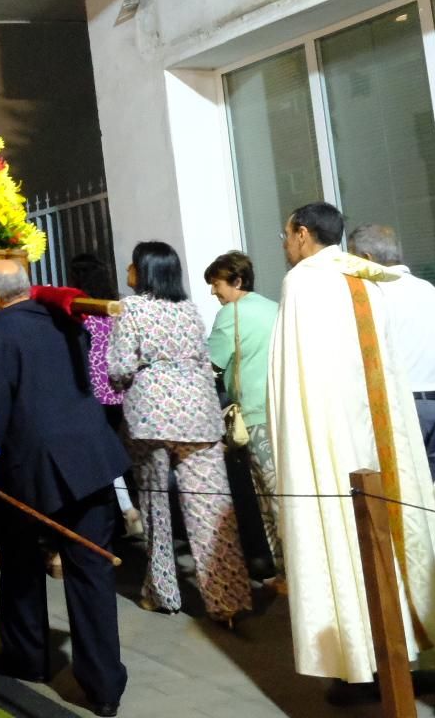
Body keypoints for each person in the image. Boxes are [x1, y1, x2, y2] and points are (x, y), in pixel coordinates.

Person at [268, 201, 435, 684]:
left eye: (287, 234)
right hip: (380, 433)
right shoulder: (368, 278)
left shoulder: (305, 281)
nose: (286, 244)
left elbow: (295, 377)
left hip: (331, 436)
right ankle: (411, 645)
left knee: (341, 533)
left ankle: (360, 658)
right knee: (399, 526)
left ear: (304, 234)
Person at [0, 256, 127, 716]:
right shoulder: (66, 322)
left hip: (30, 468)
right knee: (91, 573)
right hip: (90, 458)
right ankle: (104, 687)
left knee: (21, 566)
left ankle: (28, 656)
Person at [107, 241, 252, 622]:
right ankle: (228, 601)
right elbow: (204, 360)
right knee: (211, 508)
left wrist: (137, 378)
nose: (128, 271)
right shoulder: (189, 310)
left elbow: (120, 367)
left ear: (145, 270)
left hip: (151, 417)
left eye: (132, 265)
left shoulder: (132, 308)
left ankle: (162, 593)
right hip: (200, 415)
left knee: (156, 508)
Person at [347, 224, 435, 477]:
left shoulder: (372, 296)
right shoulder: (434, 293)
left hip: (400, 409)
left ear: (367, 259)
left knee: (405, 498)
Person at [204, 249, 282, 572]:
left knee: (269, 500)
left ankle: (285, 571)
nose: (213, 292)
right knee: (287, 494)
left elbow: (210, 367)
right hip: (281, 409)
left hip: (253, 416)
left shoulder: (231, 314)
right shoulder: (275, 308)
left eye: (217, 284)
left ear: (236, 281)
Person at [66, 253, 140, 538]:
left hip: (92, 394)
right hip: (120, 393)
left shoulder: (80, 313)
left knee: (101, 458)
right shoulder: (116, 308)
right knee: (117, 454)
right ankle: (127, 508)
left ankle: (120, 511)